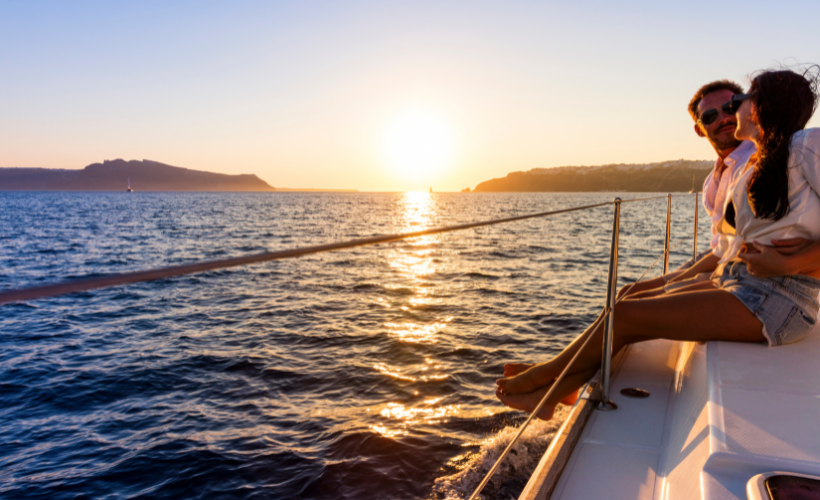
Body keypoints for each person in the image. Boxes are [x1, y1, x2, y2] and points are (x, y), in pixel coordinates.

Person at [496, 67, 820, 421]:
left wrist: (791, 263)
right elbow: (732, 246)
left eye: (742, 100)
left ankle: (545, 376)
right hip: (744, 285)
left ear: (762, 107)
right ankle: (557, 389)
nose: (734, 108)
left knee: (625, 315)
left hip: (780, 299)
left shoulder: (806, 144)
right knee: (626, 305)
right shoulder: (754, 166)